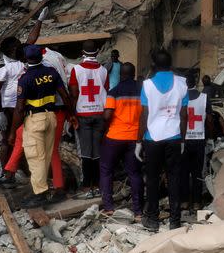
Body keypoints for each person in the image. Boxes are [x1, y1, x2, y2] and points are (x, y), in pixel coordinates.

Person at [10, 45, 76, 208]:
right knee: (47, 154)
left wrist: (13, 131)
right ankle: (44, 189)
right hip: (51, 117)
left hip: (35, 120)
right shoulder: (51, 73)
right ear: (41, 57)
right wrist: (71, 114)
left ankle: (40, 194)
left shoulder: (25, 78)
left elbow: (19, 108)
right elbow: (65, 95)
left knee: (35, 158)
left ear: (26, 59)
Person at [138, 50, 188, 231]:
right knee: (174, 178)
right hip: (174, 137)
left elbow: (144, 115)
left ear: (154, 66)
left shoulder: (147, 85)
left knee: (152, 179)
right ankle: (175, 221)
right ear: (171, 64)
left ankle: (152, 219)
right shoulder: (182, 84)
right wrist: (182, 140)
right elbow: (184, 115)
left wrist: (138, 141)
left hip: (152, 138)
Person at [100, 62, 143, 220]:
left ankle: (109, 207)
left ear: (120, 75)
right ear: (133, 73)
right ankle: (138, 211)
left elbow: (107, 115)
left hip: (115, 137)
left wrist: (105, 129)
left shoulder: (114, 91)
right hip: (135, 138)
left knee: (106, 170)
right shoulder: (142, 91)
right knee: (135, 173)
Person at [69, 40, 108, 198]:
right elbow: (106, 91)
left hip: (82, 114)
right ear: (98, 52)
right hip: (100, 113)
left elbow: (73, 93)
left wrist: (71, 115)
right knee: (97, 152)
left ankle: (86, 187)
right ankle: (98, 185)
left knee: (85, 152)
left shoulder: (76, 70)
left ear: (82, 52)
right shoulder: (104, 70)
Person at [0, 37, 25, 171]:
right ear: (15, 50)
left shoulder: (12, 65)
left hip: (14, 107)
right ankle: (10, 171)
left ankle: (10, 171)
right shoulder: (7, 66)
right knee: (12, 140)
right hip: (14, 107)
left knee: (11, 140)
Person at [182, 70, 211, 212]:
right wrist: (209, 135)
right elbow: (210, 120)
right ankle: (197, 203)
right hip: (199, 139)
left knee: (184, 172)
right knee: (197, 173)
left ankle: (185, 201)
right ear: (195, 82)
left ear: (185, 83)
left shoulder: (181, 99)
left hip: (185, 140)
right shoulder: (204, 98)